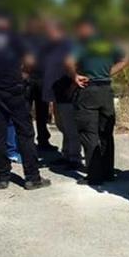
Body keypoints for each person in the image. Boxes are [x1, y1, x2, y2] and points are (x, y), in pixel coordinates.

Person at [0, 12, 51, 190]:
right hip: (15, 90)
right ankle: (32, 176)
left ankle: (2, 176)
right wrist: (24, 75)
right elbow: (30, 61)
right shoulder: (16, 39)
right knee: (25, 132)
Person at [66, 19, 127, 186]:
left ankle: (94, 175)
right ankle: (108, 171)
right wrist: (108, 72)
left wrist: (75, 76)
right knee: (106, 132)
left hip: (88, 89)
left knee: (89, 133)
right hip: (106, 90)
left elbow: (68, 62)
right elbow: (124, 59)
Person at [42, 19, 81, 169]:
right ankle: (66, 154)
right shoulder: (51, 47)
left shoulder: (69, 45)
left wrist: (73, 83)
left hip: (66, 91)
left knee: (70, 126)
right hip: (55, 93)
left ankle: (74, 157)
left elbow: (75, 65)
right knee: (61, 125)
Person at [24, 17, 53, 151]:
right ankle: (27, 141)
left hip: (43, 79)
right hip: (28, 78)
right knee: (26, 112)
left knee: (42, 112)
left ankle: (43, 140)